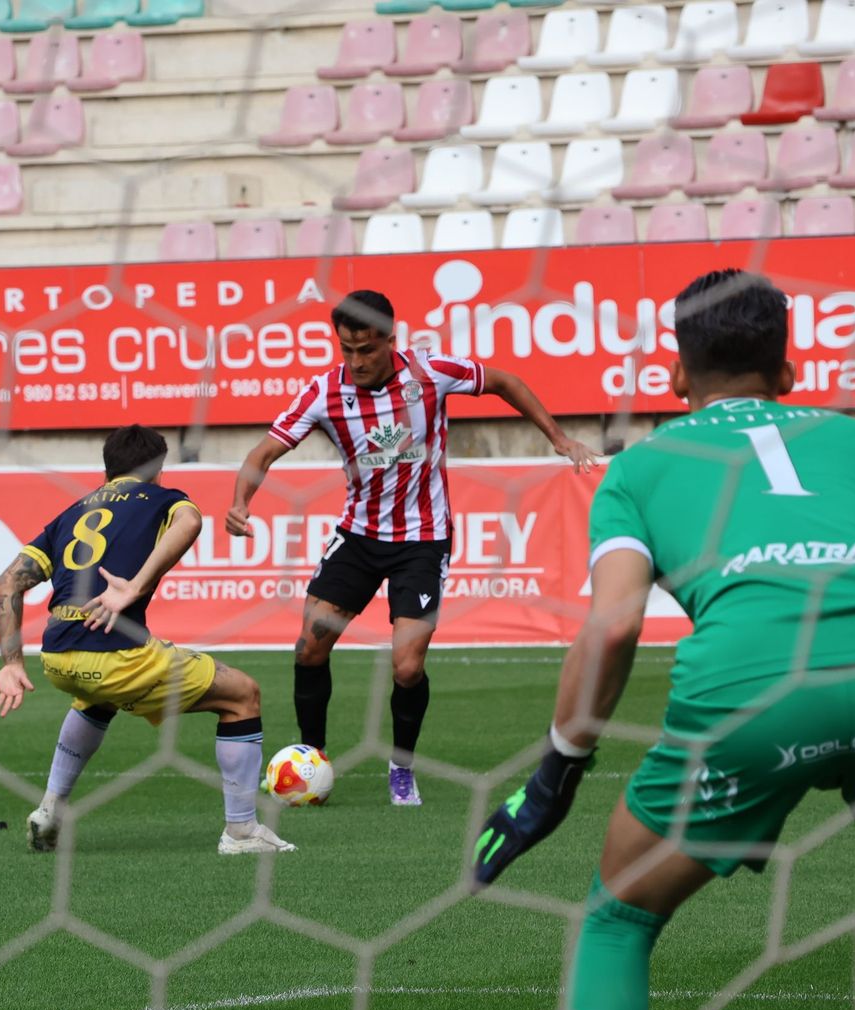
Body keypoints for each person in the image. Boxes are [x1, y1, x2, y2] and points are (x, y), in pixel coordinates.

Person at [471, 270, 855, 1010]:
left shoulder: (636, 470)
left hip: (752, 696)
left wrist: (556, 774)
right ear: (789, 374)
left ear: (675, 375)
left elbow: (615, 626)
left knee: (618, 921)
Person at [227, 290, 598, 806]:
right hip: (358, 536)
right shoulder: (323, 393)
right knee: (310, 648)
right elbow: (264, 452)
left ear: (390, 340)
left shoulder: (430, 372)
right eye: (346, 349)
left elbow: (506, 381)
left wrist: (558, 438)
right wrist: (241, 501)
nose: (356, 361)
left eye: (367, 349)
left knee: (406, 667)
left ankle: (401, 767)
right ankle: (312, 759)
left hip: (423, 540)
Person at [0, 424, 294, 856]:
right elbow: (191, 522)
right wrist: (133, 586)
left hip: (56, 657)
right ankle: (241, 832)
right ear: (157, 469)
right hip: (118, 657)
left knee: (97, 697)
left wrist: (12, 664)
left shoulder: (72, 512)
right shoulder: (164, 498)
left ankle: (50, 811)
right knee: (243, 695)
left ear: (107, 469)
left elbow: (6, 585)